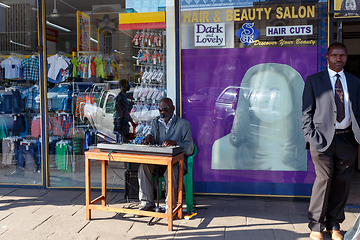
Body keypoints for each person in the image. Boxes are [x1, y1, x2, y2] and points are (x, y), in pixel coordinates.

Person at [302, 42, 360, 240]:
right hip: (322, 141)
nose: (338, 58)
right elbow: (306, 113)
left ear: (346, 58)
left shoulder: (354, 82)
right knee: (324, 180)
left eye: (342, 55)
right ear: (327, 57)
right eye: (334, 55)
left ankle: (334, 224)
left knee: (342, 183)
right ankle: (316, 226)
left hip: (347, 140)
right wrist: (310, 136)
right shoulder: (314, 80)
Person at [212, 63, 307, 171]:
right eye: (256, 91)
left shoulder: (310, 146)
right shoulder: (224, 148)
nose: (263, 99)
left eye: (274, 90)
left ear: (294, 93)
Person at [138, 97, 193, 212]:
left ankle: (170, 205)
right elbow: (153, 139)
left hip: (177, 164)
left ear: (173, 108)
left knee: (171, 169)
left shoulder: (183, 124)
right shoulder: (156, 123)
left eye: (166, 109)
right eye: (161, 110)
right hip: (160, 162)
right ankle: (147, 203)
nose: (163, 112)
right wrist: (149, 138)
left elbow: (189, 149)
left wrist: (176, 143)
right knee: (143, 167)